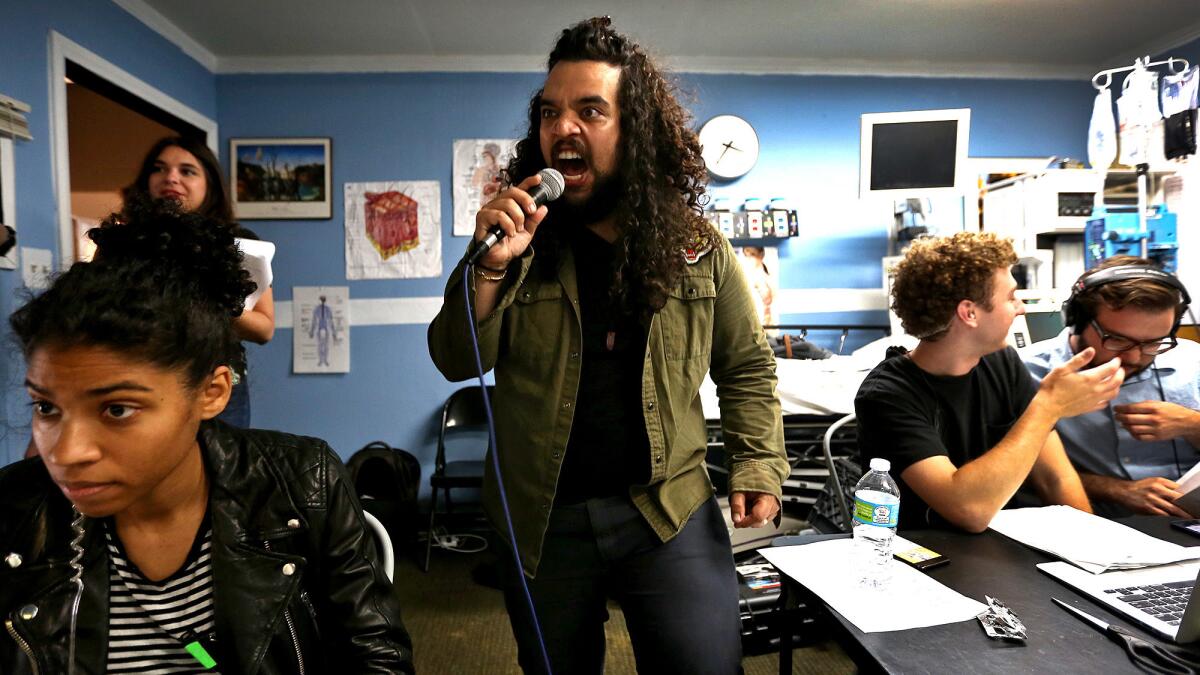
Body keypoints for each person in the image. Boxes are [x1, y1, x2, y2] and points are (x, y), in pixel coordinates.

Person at [428, 17, 787, 674]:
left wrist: (757, 463)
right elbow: (457, 357)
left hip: (665, 506)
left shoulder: (699, 250)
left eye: (590, 110)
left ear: (635, 131)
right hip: (542, 519)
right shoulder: (518, 245)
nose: (563, 127)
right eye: (550, 112)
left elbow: (745, 366)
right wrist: (487, 266)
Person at [0, 201, 412, 673]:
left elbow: (378, 657)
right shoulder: (14, 515)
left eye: (117, 409)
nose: (67, 453)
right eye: (47, 407)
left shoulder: (303, 485)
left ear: (211, 392)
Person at [854, 232, 1124, 532]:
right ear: (969, 313)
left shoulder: (1002, 362)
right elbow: (968, 511)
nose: (1020, 307)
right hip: (934, 558)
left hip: (1010, 547)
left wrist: (1100, 549)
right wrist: (1048, 405)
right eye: (1010, 297)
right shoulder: (887, 395)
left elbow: (1055, 478)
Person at [1023, 256, 1200, 517]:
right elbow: (1008, 475)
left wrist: (1193, 425)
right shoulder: (1026, 373)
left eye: (1154, 342)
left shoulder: (1192, 361)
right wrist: (1113, 489)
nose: (1135, 357)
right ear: (1078, 320)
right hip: (1095, 524)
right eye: (1117, 340)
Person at [124, 136, 275, 427]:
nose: (171, 178)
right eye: (159, 169)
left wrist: (205, 299)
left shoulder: (241, 245)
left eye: (187, 171)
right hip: (140, 379)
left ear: (210, 184)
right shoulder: (122, 240)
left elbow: (264, 328)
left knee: (221, 469)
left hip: (216, 384)